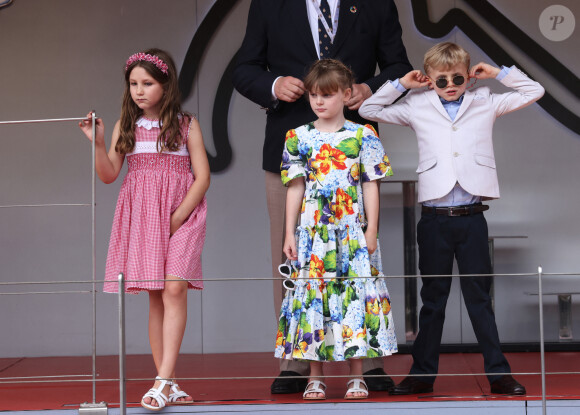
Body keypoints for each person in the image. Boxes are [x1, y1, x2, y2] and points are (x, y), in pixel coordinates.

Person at [233, 0, 412, 394]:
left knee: (361, 264)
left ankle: (368, 362)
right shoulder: (268, 5)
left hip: (352, 156)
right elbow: (244, 69)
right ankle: (296, 362)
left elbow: (399, 66)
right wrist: (274, 85)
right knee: (294, 261)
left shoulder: (377, 4)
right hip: (293, 153)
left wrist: (371, 88)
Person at [359, 42, 544, 395]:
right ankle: (421, 375)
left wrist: (499, 73)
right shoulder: (416, 105)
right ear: (429, 79)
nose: (450, 85)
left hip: (473, 218)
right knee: (433, 301)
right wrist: (401, 85)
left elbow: (535, 90)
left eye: (457, 77)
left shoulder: (485, 100)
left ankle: (498, 373)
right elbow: (369, 107)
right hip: (434, 220)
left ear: (469, 75)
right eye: (440, 79)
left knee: (479, 299)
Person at [79, 48, 210, 410]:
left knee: (174, 288)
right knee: (156, 294)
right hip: (144, 218)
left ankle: (162, 381)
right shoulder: (127, 125)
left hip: (183, 215)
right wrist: (100, 143)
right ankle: (168, 381)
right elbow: (109, 176)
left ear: (165, 85)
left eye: (147, 83)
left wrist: (178, 217)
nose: (139, 90)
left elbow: (203, 177)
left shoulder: (187, 125)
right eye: (134, 83)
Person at [275, 59, 398, 400]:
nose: (318, 101)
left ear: (346, 95)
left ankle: (357, 374)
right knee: (313, 297)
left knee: (355, 297)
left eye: (327, 95)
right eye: (314, 94)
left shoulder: (363, 135)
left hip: (352, 231)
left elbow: (371, 184)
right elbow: (295, 187)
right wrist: (290, 233)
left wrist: (371, 229)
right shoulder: (298, 137)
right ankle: (315, 375)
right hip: (314, 233)